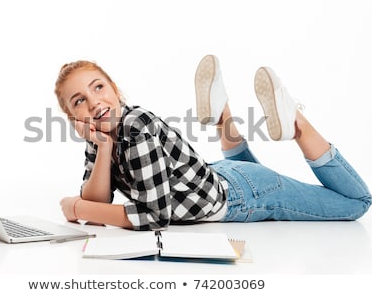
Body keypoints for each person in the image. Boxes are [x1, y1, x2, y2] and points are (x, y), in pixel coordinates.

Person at [55, 55, 371, 231]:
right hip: (226, 175)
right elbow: (98, 205)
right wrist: (104, 149)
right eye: (79, 100)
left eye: (98, 87)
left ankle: (296, 124)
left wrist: (78, 206)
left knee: (357, 202)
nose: (94, 102)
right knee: (255, 173)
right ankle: (221, 112)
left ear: (115, 88)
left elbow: (153, 216)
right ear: (73, 116)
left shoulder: (137, 128)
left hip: (241, 197)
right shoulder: (100, 133)